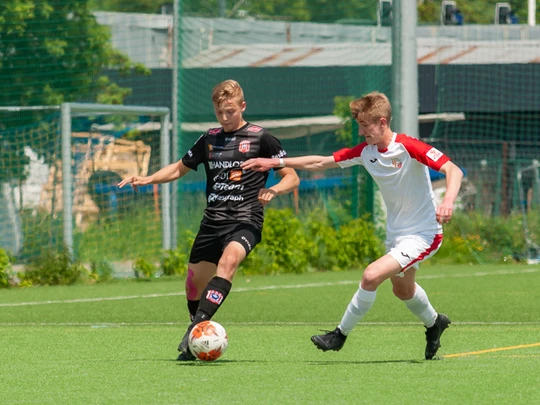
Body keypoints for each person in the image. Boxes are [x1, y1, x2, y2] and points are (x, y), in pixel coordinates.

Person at [242, 91, 463, 360]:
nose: (361, 132)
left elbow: (454, 170)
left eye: (365, 126)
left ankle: (339, 335)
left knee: (371, 276)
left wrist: (448, 201)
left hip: (424, 233)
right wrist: (275, 162)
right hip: (397, 234)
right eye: (359, 125)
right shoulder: (366, 152)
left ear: (382, 122)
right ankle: (434, 323)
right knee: (402, 290)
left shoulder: (408, 147)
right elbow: (320, 161)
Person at [119, 79, 300, 360]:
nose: (225, 117)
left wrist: (273, 190)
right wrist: (148, 178)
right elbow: (179, 168)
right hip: (211, 222)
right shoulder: (209, 139)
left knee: (227, 265)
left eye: (230, 111)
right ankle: (199, 329)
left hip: (245, 220)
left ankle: (192, 335)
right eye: (219, 112)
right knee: (193, 285)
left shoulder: (262, 138)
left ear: (243, 106)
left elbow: (292, 176)